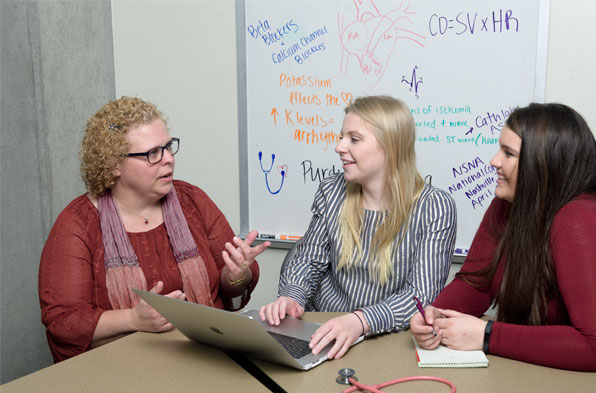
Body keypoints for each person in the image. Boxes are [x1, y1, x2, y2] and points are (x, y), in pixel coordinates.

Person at [411, 103, 596, 389]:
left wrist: (488, 334)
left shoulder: (584, 222)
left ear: (543, 164)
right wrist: (435, 315)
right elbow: (476, 283)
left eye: (508, 154)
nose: (494, 161)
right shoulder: (506, 205)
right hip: (555, 366)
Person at [39, 97, 270, 362]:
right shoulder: (77, 225)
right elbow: (63, 324)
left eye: (168, 147)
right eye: (152, 154)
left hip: (205, 359)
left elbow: (229, 293)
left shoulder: (192, 201)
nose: (169, 159)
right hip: (122, 373)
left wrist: (235, 274)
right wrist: (133, 319)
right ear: (113, 166)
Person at [260, 95, 457, 360]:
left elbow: (419, 296)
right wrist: (292, 297)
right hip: (323, 330)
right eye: (342, 136)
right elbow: (308, 259)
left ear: (391, 145)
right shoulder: (332, 190)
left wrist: (360, 321)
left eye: (354, 139)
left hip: (388, 340)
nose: (339, 147)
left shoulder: (434, 207)